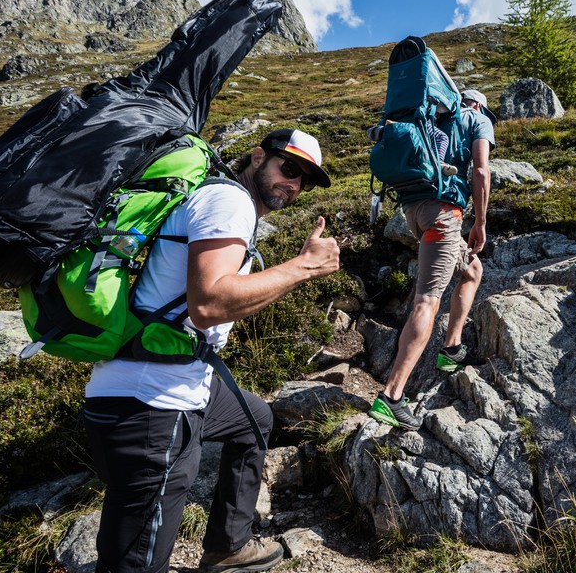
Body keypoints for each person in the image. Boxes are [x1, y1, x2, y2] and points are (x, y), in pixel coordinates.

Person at [83, 128, 340, 573]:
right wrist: (303, 267)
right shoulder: (230, 202)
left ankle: (228, 545)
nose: (295, 183)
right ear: (258, 156)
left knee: (254, 419)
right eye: (289, 167)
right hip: (153, 408)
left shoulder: (220, 199)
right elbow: (209, 304)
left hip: (158, 382)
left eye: (306, 180)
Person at [368, 89, 496, 431]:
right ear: (479, 105)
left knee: (472, 268)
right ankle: (391, 397)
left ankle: (451, 349)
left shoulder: (428, 115)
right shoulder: (477, 119)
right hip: (443, 213)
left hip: (414, 209)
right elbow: (481, 172)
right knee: (427, 301)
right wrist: (480, 222)